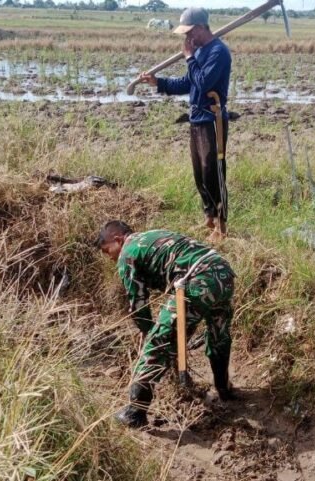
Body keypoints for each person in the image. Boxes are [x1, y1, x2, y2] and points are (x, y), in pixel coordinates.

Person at [96, 221, 235, 428]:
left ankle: (135, 413)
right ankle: (224, 389)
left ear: (117, 239)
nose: (110, 257)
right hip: (223, 273)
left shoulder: (129, 252)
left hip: (197, 280)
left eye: (108, 251)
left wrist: (147, 331)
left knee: (157, 342)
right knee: (219, 333)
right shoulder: (153, 234)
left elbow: (138, 300)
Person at [137, 7, 232, 242]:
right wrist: (158, 82)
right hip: (196, 118)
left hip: (213, 120)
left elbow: (203, 82)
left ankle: (221, 227)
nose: (186, 39)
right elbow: (186, 83)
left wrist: (189, 57)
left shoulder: (218, 52)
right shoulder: (200, 52)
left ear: (200, 28)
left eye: (189, 33)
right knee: (199, 173)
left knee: (213, 172)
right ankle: (209, 218)